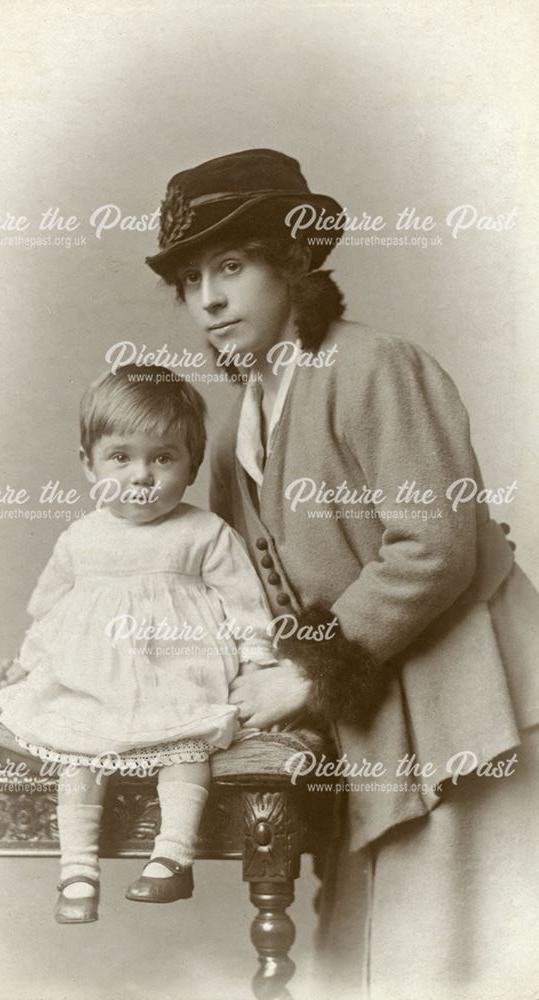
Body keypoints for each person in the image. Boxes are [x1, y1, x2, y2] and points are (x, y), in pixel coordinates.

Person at [146, 149, 539, 999]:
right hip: (372, 734)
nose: (207, 299)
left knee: (461, 967)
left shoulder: (374, 365)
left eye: (230, 266)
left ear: (292, 264)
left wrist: (304, 674)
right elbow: (232, 594)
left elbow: (433, 546)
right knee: (368, 969)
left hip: (470, 712)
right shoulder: (233, 429)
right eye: (188, 280)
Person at [0, 363, 278, 922]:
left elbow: (247, 607)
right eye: (120, 457)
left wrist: (259, 666)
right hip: (93, 681)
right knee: (77, 753)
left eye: (163, 457)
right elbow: (50, 614)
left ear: (192, 466)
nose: (141, 475)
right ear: (88, 464)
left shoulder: (205, 534)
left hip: (180, 676)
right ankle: (76, 869)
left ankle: (172, 858)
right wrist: (26, 666)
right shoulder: (80, 538)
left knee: (186, 746)